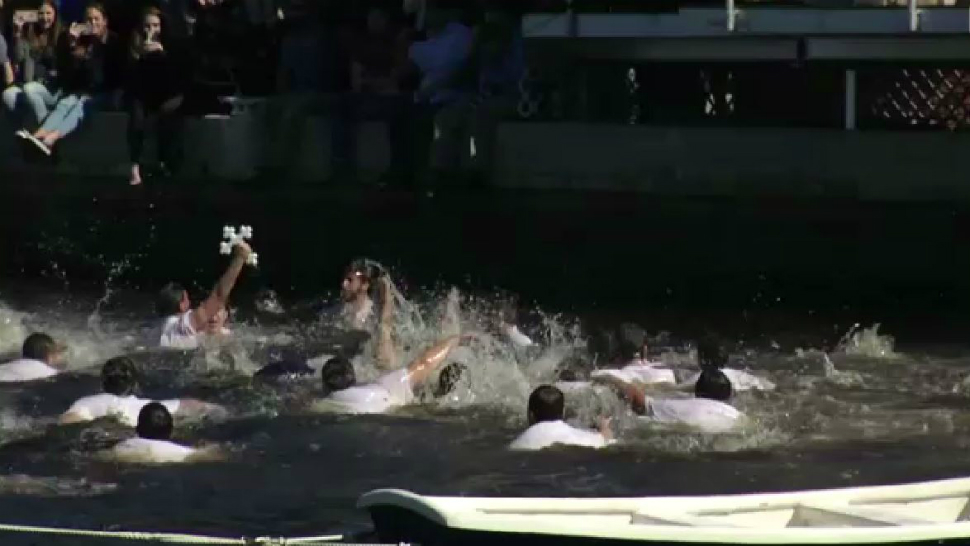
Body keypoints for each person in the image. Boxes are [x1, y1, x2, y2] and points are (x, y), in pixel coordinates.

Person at [20, 2, 126, 156]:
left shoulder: (113, 42)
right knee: (66, 101)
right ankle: (38, 135)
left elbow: (111, 75)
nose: (93, 23)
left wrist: (95, 48)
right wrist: (72, 44)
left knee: (82, 104)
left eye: (97, 19)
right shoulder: (83, 41)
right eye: (89, 20)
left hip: (108, 92)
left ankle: (51, 140)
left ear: (105, 21)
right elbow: (71, 74)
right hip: (85, 90)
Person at [313, 334, 470, 414]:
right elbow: (424, 362)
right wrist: (454, 340)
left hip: (392, 414)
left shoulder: (322, 404)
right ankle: (440, 393)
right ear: (352, 377)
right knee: (422, 400)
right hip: (396, 406)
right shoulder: (382, 387)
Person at [60, 356, 227, 426]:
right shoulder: (151, 408)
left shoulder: (87, 403)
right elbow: (198, 406)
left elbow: (66, 421)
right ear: (135, 383)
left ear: (103, 382)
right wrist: (221, 412)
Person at [126, 6, 187, 186]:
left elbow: (174, 78)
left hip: (166, 93)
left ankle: (166, 161)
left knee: (169, 115)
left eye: (155, 25)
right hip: (141, 92)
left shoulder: (169, 44)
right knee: (137, 119)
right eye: (147, 26)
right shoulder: (135, 44)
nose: (151, 30)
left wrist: (161, 54)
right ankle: (134, 166)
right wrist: (141, 57)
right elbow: (131, 77)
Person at [156, 241, 252, 350]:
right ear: (181, 305)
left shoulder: (163, 329)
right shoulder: (182, 326)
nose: (191, 305)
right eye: (187, 299)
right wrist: (240, 258)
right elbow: (218, 295)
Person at [3, 2, 62, 130]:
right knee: (8, 94)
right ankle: (22, 132)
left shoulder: (61, 35)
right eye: (41, 13)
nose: (44, 17)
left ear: (55, 15)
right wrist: (18, 34)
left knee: (30, 88)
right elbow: (19, 58)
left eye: (48, 13)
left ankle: (45, 129)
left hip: (51, 88)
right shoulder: (29, 33)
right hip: (28, 83)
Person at [509, 385, 613, 451]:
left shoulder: (517, 445)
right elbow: (606, 439)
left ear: (531, 415)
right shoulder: (584, 438)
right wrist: (604, 426)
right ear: (563, 412)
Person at [110, 403, 222, 464]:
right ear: (171, 430)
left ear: (138, 428)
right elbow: (218, 456)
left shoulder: (120, 447)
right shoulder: (183, 453)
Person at [678, 337, 775, 392]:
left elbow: (673, 389)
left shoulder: (702, 379)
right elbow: (771, 386)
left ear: (702, 359)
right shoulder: (743, 375)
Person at [0, 332, 66, 382]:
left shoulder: (6, 366)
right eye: (57, 353)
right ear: (48, 355)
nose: (60, 357)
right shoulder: (53, 373)